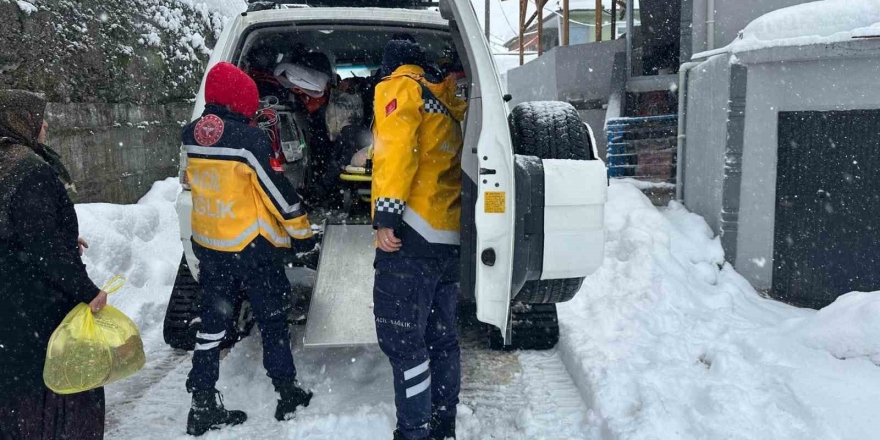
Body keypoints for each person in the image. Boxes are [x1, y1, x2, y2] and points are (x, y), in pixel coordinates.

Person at [181, 62, 315, 436]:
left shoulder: (191, 135)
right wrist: (301, 232)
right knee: (272, 318)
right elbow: (277, 195)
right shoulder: (249, 140)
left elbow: (195, 184)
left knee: (211, 325)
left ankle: (202, 404)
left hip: (210, 245)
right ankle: (286, 391)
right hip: (251, 248)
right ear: (241, 99)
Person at [370, 37, 468, 440]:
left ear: (392, 66)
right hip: (445, 236)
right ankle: (443, 423)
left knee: (402, 340)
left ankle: (414, 432)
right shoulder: (444, 101)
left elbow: (396, 151)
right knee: (441, 338)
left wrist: (386, 216)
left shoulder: (400, 87)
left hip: (411, 236)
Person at [0, 90, 109, 440]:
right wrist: (88, 291)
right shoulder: (28, 169)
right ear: (20, 121)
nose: (45, 124)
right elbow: (44, 249)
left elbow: (20, 226)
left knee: (12, 387)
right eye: (39, 117)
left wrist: (56, 235)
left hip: (8, 297)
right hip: (33, 302)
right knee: (53, 382)